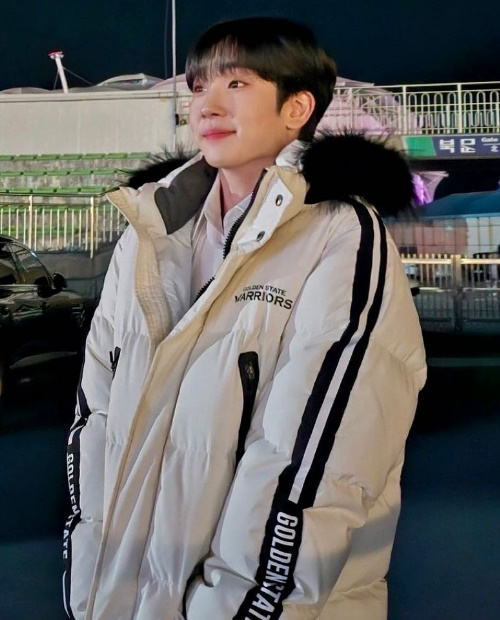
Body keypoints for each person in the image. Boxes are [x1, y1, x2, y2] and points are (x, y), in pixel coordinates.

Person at [63, 16, 426, 620]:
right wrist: (89, 579)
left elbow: (320, 460)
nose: (207, 104)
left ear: (297, 108)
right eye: (199, 85)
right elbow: (95, 418)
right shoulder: (150, 234)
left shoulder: (340, 235)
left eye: (236, 83)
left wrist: (234, 608)